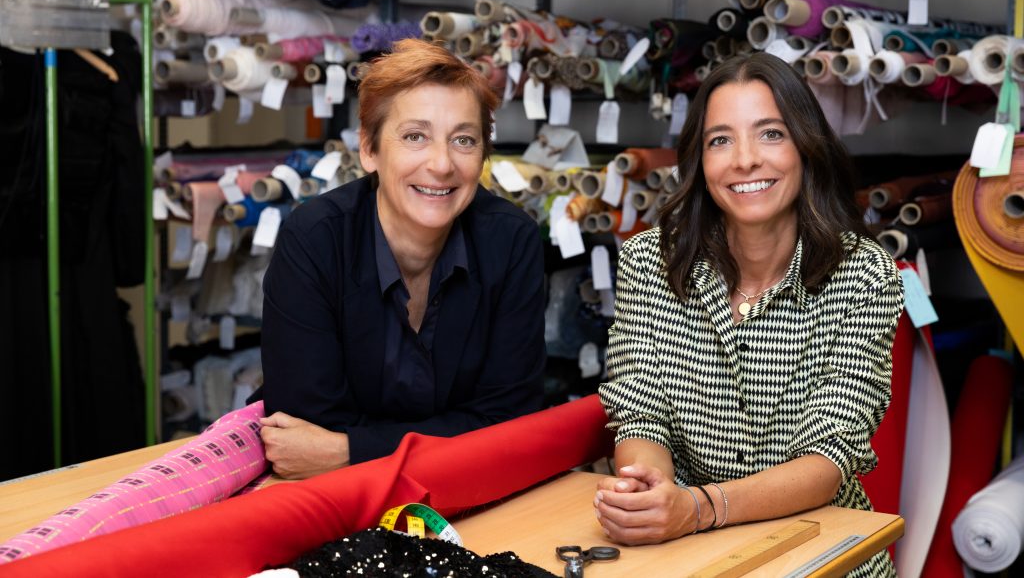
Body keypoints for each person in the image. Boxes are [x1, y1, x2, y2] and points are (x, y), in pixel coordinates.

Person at [595, 53, 903, 577]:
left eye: (770, 134)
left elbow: (827, 459)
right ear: (699, 160)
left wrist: (698, 509)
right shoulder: (651, 261)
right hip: (689, 553)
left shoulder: (863, 274)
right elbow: (640, 413)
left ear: (806, 147)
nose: (744, 160)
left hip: (822, 550)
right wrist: (650, 492)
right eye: (720, 140)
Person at [258, 39, 546, 479]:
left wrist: (350, 449)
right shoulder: (315, 238)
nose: (442, 164)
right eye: (415, 136)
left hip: (465, 491)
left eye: (463, 140)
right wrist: (449, 438)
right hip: (332, 497)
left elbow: (509, 423)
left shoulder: (512, 241)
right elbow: (303, 431)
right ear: (369, 150)